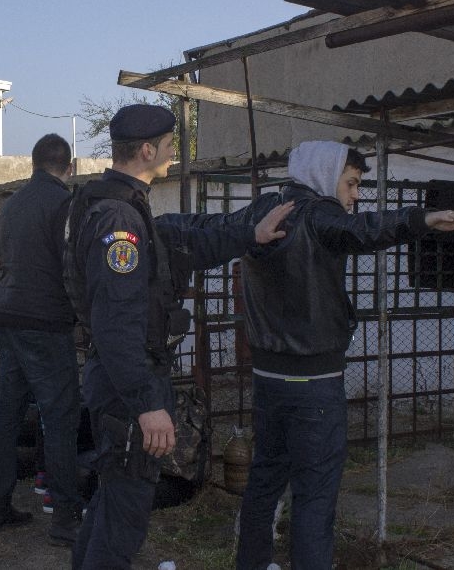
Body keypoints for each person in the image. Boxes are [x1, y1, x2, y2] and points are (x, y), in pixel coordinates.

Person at [64, 105, 296, 569]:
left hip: (120, 379)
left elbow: (183, 245)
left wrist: (251, 233)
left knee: (114, 499)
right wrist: (147, 405)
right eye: (171, 145)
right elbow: (117, 324)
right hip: (128, 385)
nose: (175, 153)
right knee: (125, 516)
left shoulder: (116, 204)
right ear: (147, 151)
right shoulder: (119, 221)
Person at [234, 141, 454, 570]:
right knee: (314, 497)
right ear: (326, 175)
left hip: (268, 380)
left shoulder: (263, 211)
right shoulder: (318, 215)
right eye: (350, 183)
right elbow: (363, 229)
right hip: (315, 385)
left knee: (264, 481)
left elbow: (204, 229)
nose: (355, 195)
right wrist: (420, 219)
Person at [0, 133, 82, 544]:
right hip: (47, 322)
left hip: (8, 317)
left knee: (7, 414)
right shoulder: (65, 204)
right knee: (60, 418)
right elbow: (73, 263)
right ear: (69, 168)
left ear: (32, 163)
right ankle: (65, 520)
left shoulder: (11, 204)